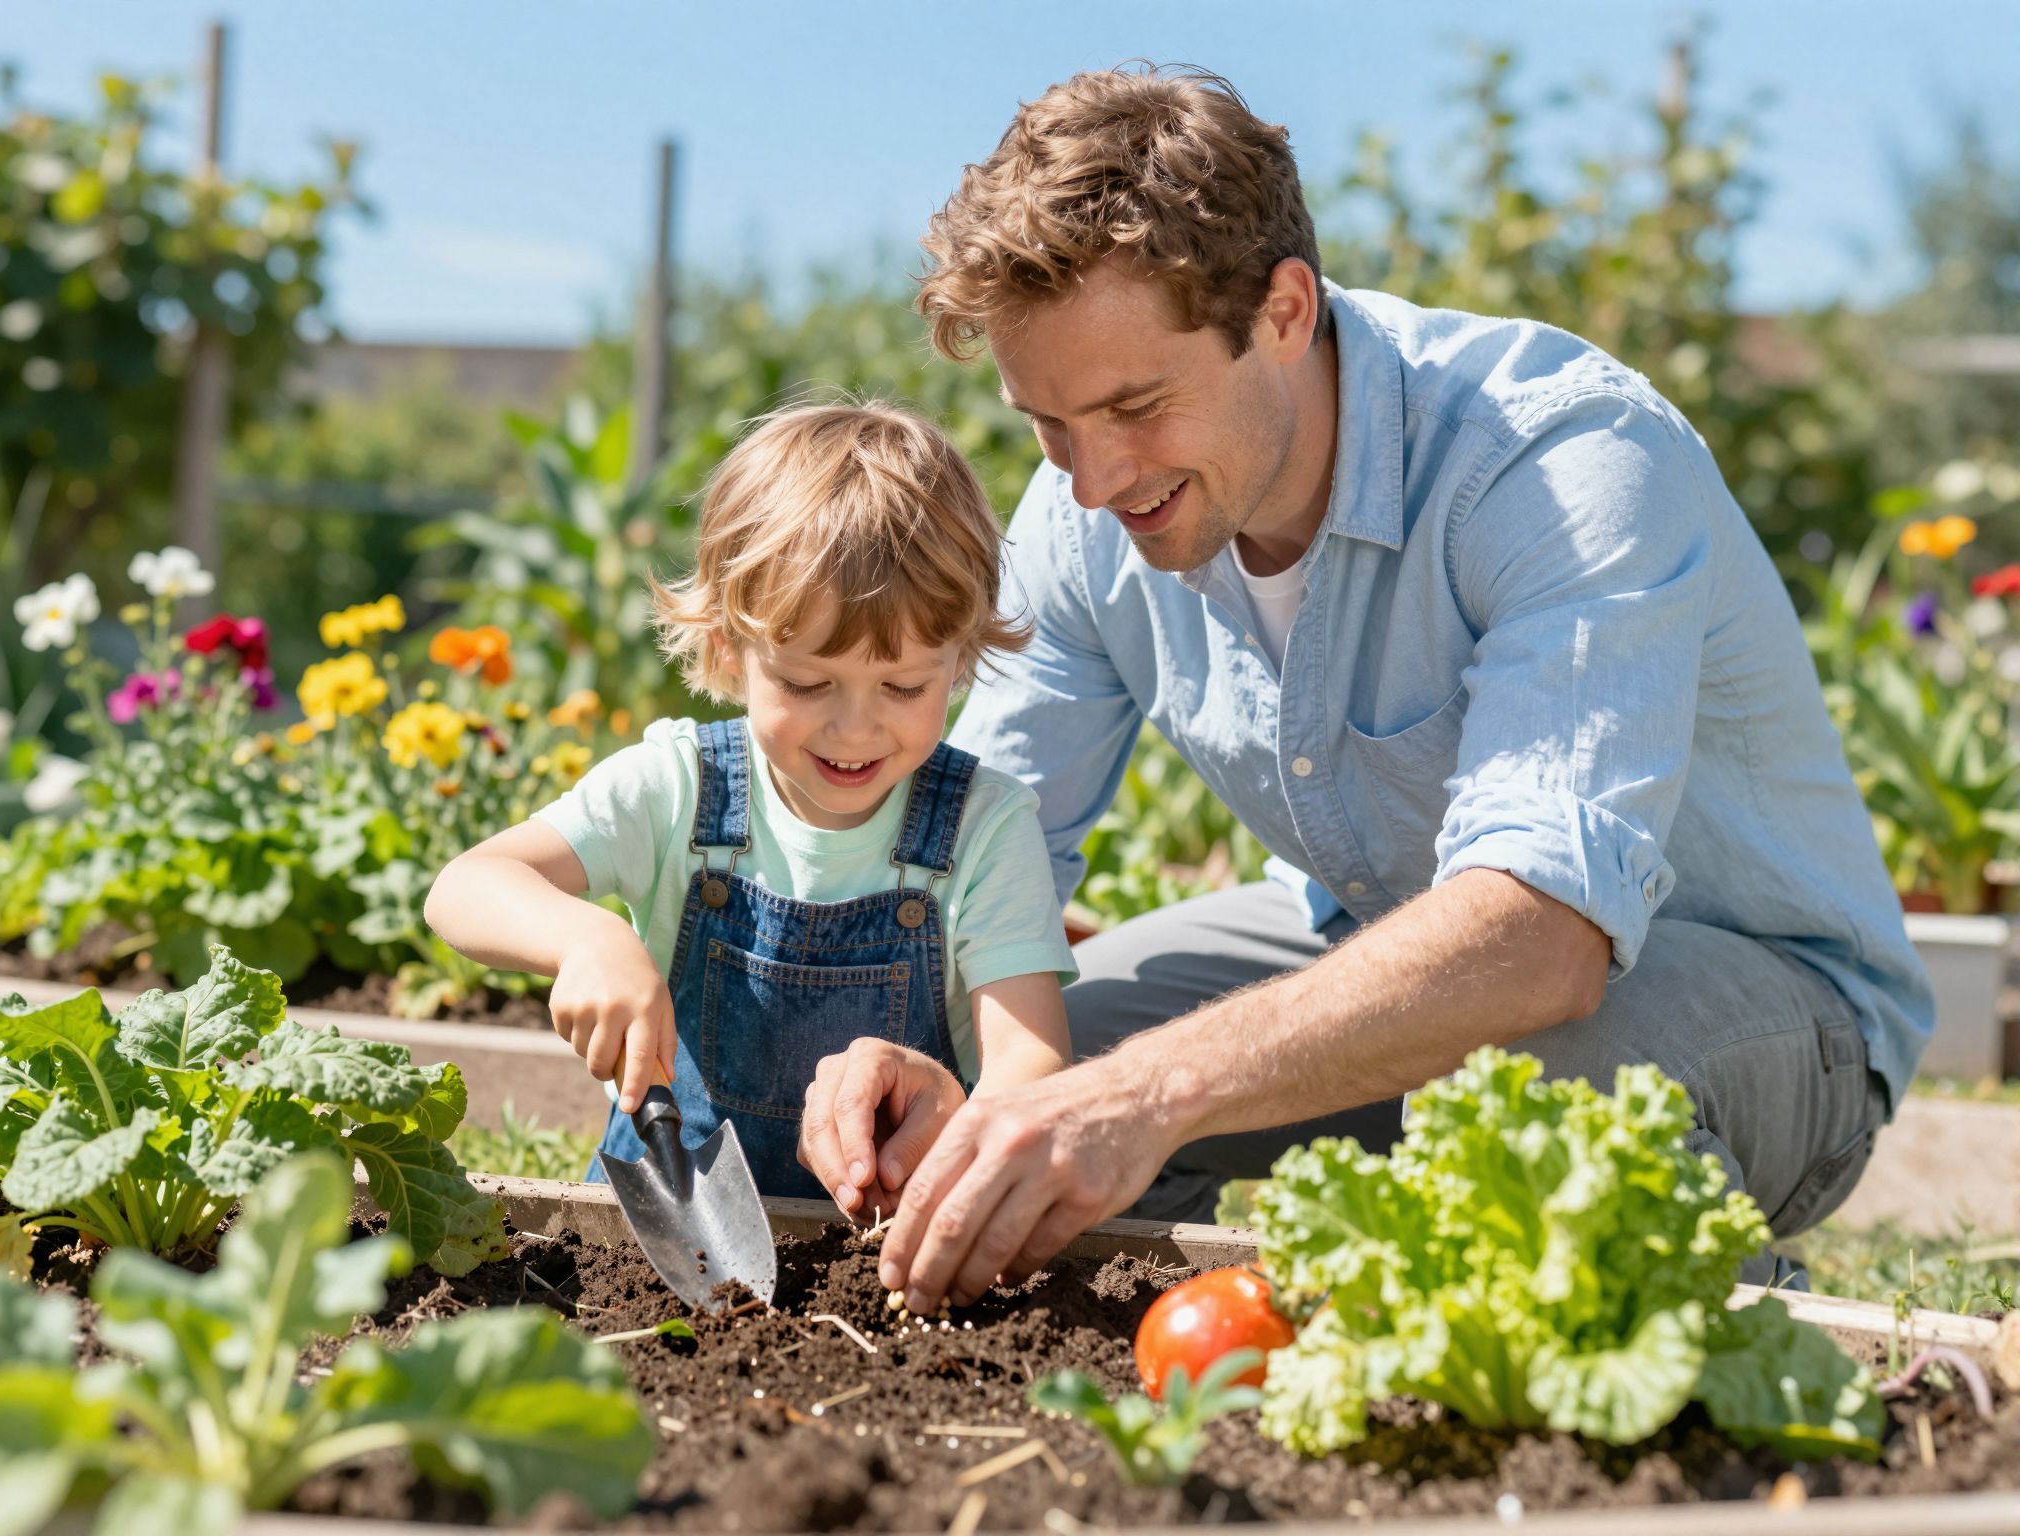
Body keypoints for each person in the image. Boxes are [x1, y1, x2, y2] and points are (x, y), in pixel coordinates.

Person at [795, 64, 1934, 1316]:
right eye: (1048, 425)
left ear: (1282, 311)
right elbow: (988, 867)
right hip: (1367, 952)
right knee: (1037, 1064)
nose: (1091, 480)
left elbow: (1543, 939)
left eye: (1132, 406)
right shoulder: (1083, 520)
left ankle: (1736, 1323)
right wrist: (916, 1040)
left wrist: (1139, 1098)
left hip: (1746, 1006)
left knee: (1528, 1079)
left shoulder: (1557, 462)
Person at [424, 402, 1074, 1202]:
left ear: (961, 656)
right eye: (806, 682)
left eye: (904, 686)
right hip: (666, 1218)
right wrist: (583, 938)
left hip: (882, 1229)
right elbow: (465, 886)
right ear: (731, 650)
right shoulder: (680, 788)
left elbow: (1030, 1061)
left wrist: (940, 1094)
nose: (855, 726)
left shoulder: (983, 828)